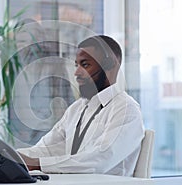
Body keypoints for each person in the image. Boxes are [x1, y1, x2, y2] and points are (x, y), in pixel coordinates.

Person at [17, 35, 145, 176]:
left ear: (110, 66)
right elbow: (48, 148)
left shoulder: (126, 109)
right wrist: (11, 156)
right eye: (76, 65)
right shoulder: (77, 108)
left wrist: (38, 164)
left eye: (85, 65)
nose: (77, 72)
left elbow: (99, 159)